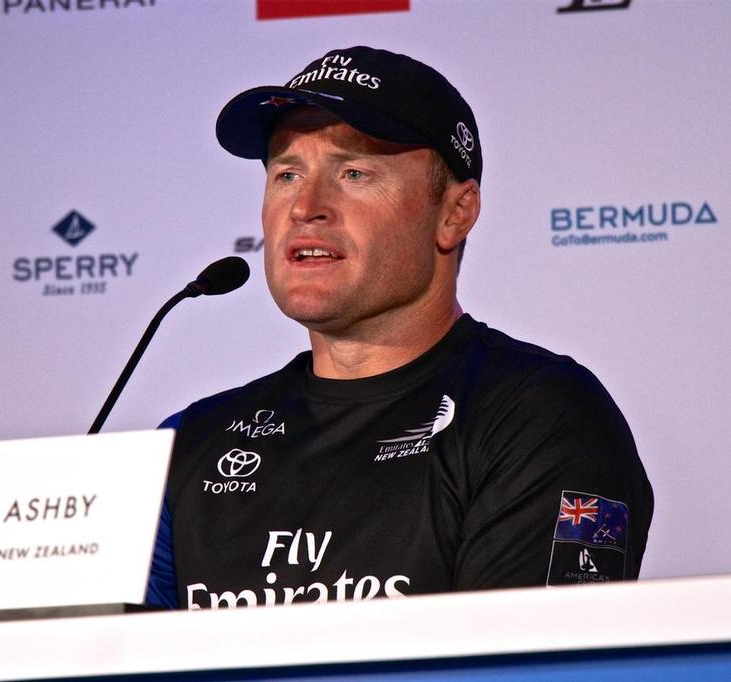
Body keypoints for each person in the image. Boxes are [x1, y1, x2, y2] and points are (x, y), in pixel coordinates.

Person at [145, 46, 653, 610]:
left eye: (354, 173)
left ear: (454, 213)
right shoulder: (190, 441)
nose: (305, 207)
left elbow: (520, 665)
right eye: (287, 173)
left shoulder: (544, 417)